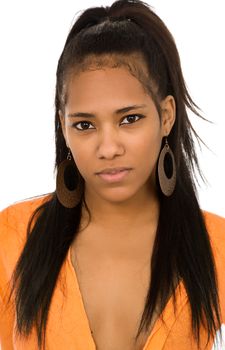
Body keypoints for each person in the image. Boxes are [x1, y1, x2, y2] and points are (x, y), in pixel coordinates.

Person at [0, 0, 224, 349]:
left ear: (166, 116)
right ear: (63, 127)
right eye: (85, 124)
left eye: (129, 119)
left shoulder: (216, 244)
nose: (108, 148)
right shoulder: (13, 236)